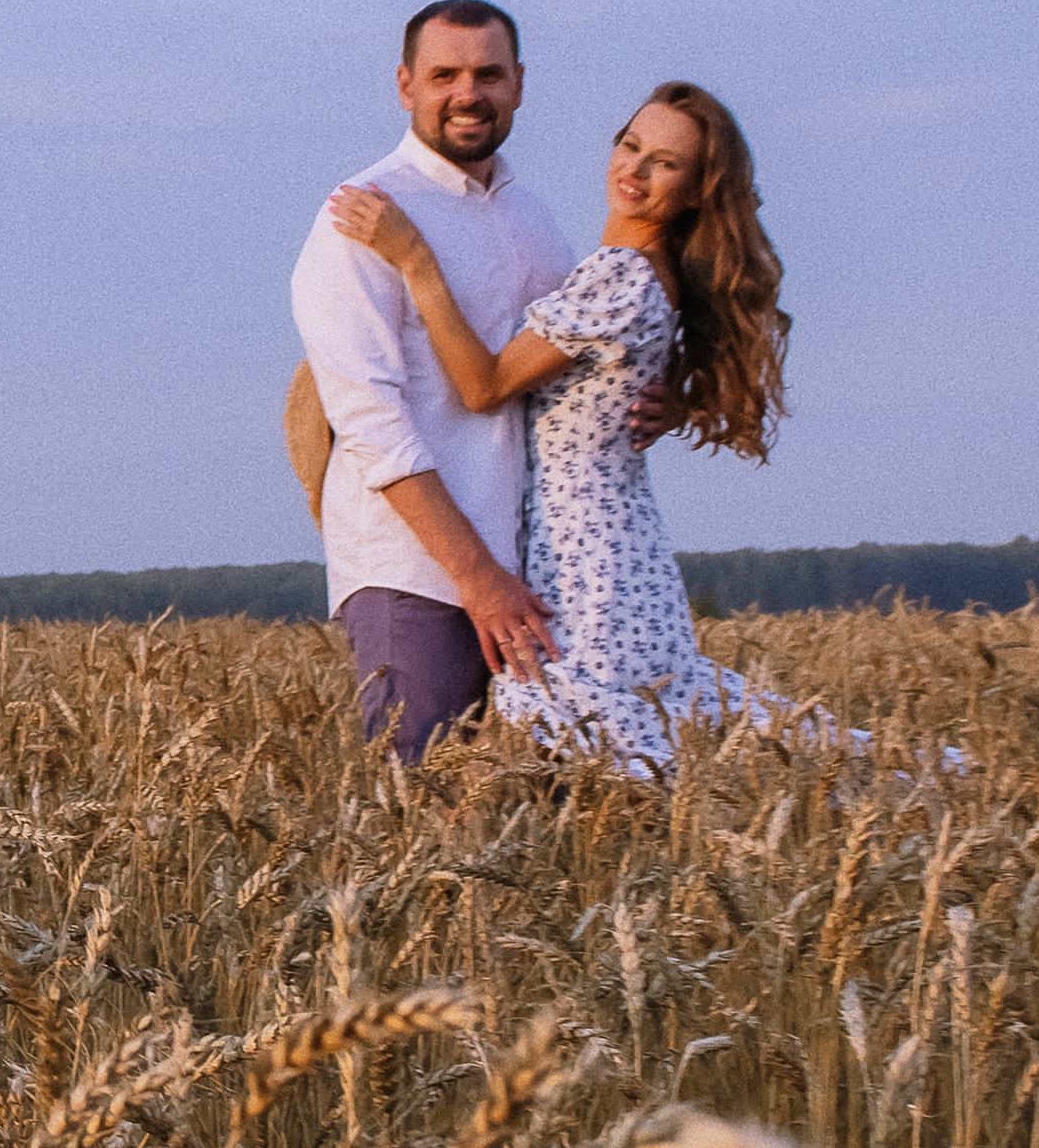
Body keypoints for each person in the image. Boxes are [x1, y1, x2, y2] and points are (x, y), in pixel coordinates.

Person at [327, 82, 790, 773]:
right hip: (623, 548)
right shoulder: (648, 274)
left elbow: (484, 386)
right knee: (623, 747)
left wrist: (415, 260)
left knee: (579, 740)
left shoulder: (618, 274)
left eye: (664, 163)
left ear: (696, 190)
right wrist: (676, 408)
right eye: (630, 146)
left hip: (584, 558)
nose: (633, 170)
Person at [290, 0, 575, 763]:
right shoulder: (360, 217)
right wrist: (477, 578)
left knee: (532, 833)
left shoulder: (535, 221)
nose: (467, 93)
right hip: (413, 575)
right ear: (405, 85)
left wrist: (646, 400)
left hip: (532, 577)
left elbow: (559, 370)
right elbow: (370, 425)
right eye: (444, 74)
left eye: (488, 74)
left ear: (519, 84)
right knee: (415, 825)